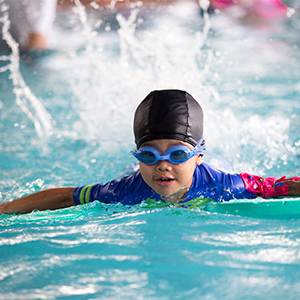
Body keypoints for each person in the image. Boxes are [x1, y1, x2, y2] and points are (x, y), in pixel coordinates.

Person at [1, 89, 300, 214]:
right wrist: (5, 210)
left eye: (178, 155)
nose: (163, 166)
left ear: (199, 155)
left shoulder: (226, 185)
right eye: (148, 156)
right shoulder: (122, 191)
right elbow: (68, 196)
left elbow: (281, 187)